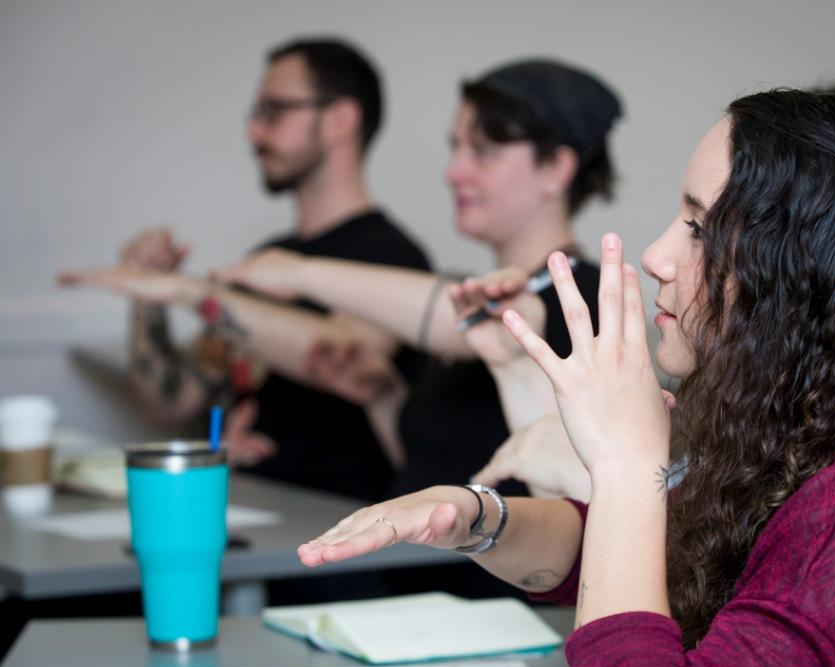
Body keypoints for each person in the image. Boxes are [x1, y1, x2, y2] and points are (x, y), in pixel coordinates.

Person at [291, 89, 835, 667]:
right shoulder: (813, 430)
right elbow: (635, 559)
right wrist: (476, 516)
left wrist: (624, 462)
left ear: (800, 271)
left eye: (700, 227)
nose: (657, 254)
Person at [213, 59, 623, 496]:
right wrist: (382, 396)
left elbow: (464, 319)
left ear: (556, 168)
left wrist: (297, 272)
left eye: (482, 151)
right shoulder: (474, 298)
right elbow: (428, 473)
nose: (454, 171)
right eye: (456, 148)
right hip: (419, 559)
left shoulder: (580, 293)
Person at [59, 38, 431, 499]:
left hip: (342, 539)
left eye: (274, 111)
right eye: (255, 115)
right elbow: (170, 401)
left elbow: (342, 356)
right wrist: (146, 296)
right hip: (251, 524)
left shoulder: (392, 259)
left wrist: (187, 292)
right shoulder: (263, 261)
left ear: (341, 120)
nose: (255, 133)